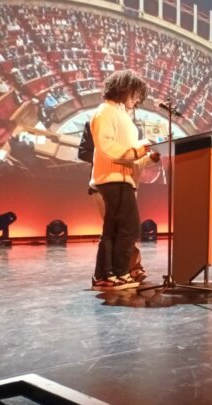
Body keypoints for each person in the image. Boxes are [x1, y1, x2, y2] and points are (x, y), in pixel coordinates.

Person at [90, 70, 159, 290]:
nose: (137, 99)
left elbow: (130, 157)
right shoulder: (106, 112)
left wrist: (148, 157)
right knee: (128, 228)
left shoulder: (120, 115)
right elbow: (108, 147)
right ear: (124, 89)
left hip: (120, 178)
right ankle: (119, 272)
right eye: (135, 93)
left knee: (113, 229)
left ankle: (105, 275)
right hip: (113, 179)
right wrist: (139, 149)